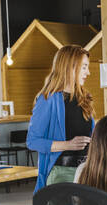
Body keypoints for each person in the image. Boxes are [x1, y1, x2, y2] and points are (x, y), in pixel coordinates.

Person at [27, 45, 95, 193]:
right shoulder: (47, 99)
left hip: (86, 173)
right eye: (84, 67)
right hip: (61, 175)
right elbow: (32, 141)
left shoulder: (84, 99)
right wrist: (67, 145)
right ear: (70, 67)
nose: (88, 72)